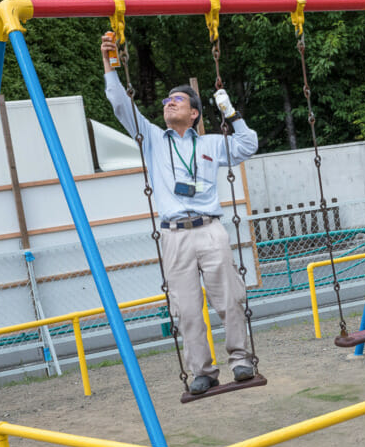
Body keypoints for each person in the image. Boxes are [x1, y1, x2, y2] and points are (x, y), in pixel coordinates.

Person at [101, 32, 260, 394]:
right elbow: (120, 104)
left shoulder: (209, 144)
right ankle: (201, 370)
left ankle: (241, 360)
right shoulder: (153, 140)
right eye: (166, 101)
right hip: (174, 234)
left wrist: (229, 111)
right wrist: (110, 61)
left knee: (230, 299)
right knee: (187, 310)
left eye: (177, 100)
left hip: (209, 229)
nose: (168, 104)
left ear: (193, 112)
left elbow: (248, 144)